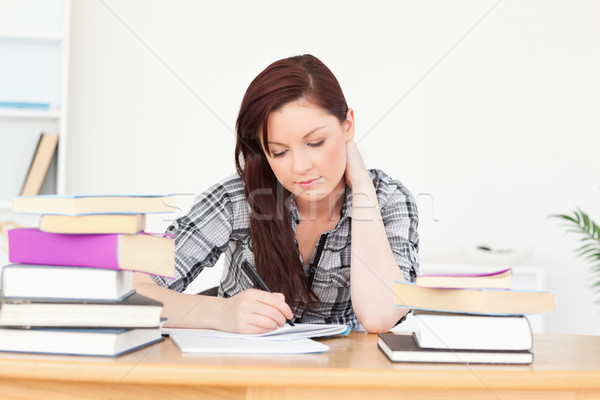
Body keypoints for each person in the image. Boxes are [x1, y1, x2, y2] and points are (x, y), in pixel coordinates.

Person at [133, 54, 419, 334]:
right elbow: (135, 290)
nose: (300, 167)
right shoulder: (237, 199)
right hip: (244, 374)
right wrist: (222, 312)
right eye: (279, 152)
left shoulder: (389, 201)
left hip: (341, 376)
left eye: (316, 143)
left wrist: (360, 181)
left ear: (349, 126)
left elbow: (380, 316)